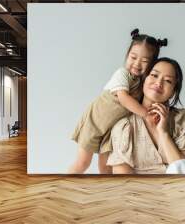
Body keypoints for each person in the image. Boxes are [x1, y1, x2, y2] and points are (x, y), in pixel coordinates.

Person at [68, 29, 168, 174]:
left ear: (151, 64)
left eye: (144, 61)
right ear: (127, 55)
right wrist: (146, 114)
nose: (137, 64)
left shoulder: (143, 83)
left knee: (106, 167)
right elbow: (123, 98)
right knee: (83, 163)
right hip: (95, 122)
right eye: (133, 57)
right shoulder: (122, 74)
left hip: (111, 130)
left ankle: (108, 193)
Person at [106, 57, 185, 174]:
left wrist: (163, 133)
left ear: (173, 92)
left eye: (168, 81)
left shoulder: (181, 119)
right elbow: (122, 181)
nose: (159, 83)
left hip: (178, 190)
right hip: (138, 191)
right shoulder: (124, 126)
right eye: (154, 75)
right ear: (144, 80)